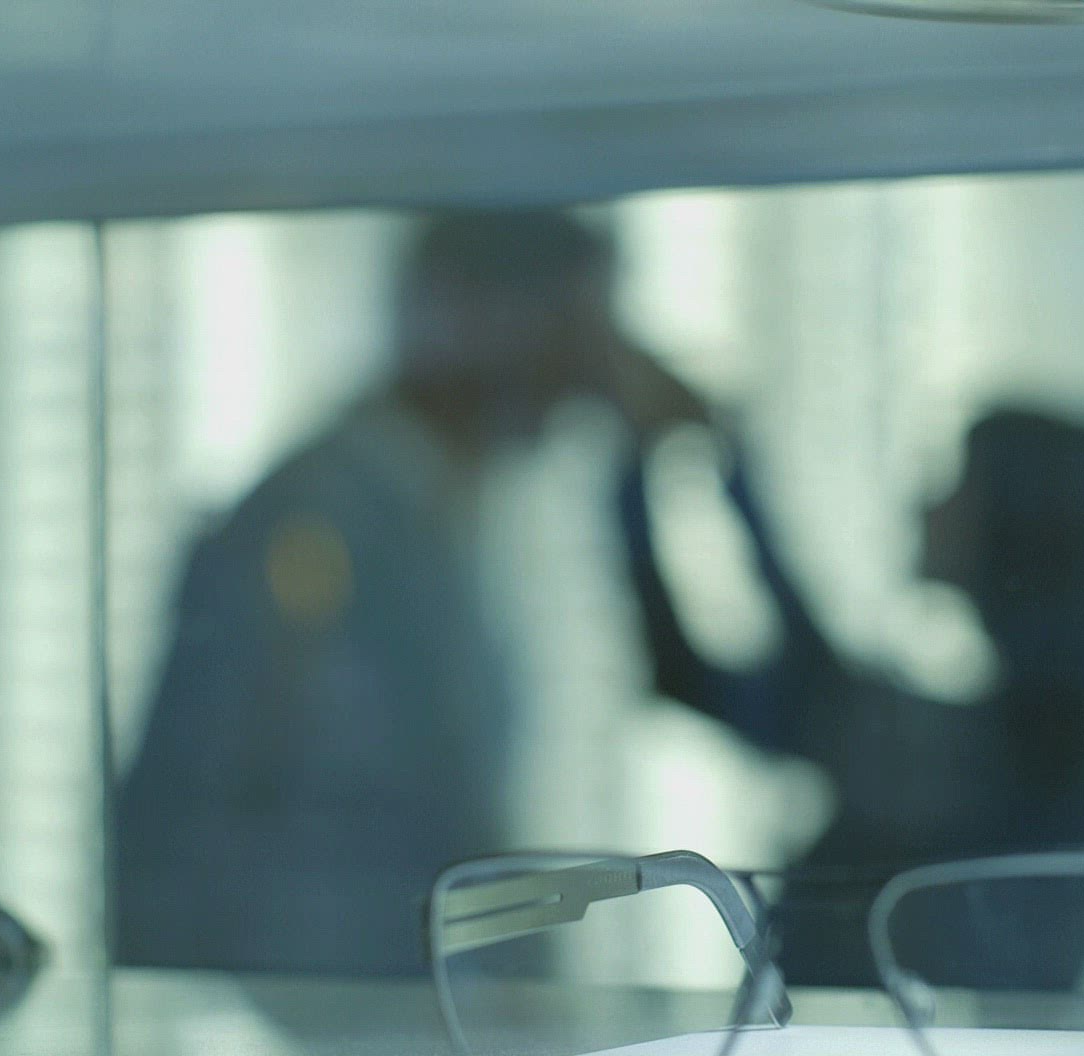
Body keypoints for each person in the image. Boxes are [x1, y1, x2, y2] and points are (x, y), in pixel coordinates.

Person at [114, 209, 700, 976]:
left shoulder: (460, 520)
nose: (591, 371)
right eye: (568, 328)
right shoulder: (319, 519)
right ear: (463, 311)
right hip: (321, 1012)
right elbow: (184, 834)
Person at [621, 407, 1084, 983]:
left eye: (962, 483)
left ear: (1023, 521)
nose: (928, 504)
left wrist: (705, 463)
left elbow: (798, 700)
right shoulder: (1069, 736)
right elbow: (798, 698)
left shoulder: (1051, 749)